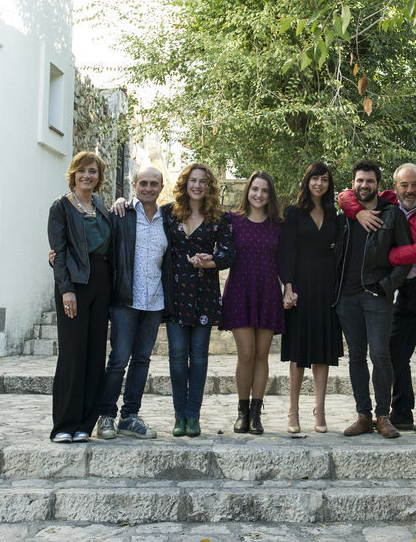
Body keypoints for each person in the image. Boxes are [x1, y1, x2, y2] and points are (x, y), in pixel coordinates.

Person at [339, 163, 416, 434]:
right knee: (395, 352)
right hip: (406, 290)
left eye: (415, 184)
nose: (409, 190)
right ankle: (402, 413)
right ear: (394, 187)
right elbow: (346, 196)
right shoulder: (389, 201)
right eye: (404, 185)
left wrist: (390, 257)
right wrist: (359, 213)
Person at [333, 159, 411, 439]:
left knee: (380, 355)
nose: (364, 185)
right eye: (359, 180)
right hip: (346, 298)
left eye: (369, 181)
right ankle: (363, 416)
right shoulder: (344, 216)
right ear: (353, 183)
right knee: (356, 356)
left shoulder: (393, 215)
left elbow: (405, 257)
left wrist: (386, 286)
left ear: (378, 184)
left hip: (376, 296)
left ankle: (383, 416)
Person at [93, 167, 171, 441]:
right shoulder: (121, 215)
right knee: (118, 359)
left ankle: (130, 416)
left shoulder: (167, 220)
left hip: (154, 302)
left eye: (154, 184)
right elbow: (101, 249)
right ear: (134, 185)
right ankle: (106, 415)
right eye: (143, 183)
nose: (148, 188)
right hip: (125, 300)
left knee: (142, 360)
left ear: (161, 187)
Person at [161, 163, 236, 437]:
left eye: (202, 181)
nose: (197, 186)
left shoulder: (219, 217)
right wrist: (122, 201)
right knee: (177, 356)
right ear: (185, 184)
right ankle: (179, 415)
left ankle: (193, 416)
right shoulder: (168, 213)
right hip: (175, 293)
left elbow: (228, 254)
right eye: (193, 180)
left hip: (204, 294)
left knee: (200, 357)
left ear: (209, 186)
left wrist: (210, 260)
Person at [47, 152, 113, 443]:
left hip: (102, 282)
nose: (87, 176)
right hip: (75, 282)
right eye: (82, 171)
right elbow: (59, 251)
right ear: (73, 174)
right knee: (73, 354)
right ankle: (64, 424)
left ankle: (86, 423)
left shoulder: (101, 206)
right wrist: (66, 289)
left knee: (95, 354)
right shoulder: (60, 207)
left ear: (99, 177)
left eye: (93, 171)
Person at [279, 162, 344, 434]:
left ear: (329, 184)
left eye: (324, 179)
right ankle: (292, 411)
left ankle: (320, 410)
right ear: (307, 181)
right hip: (300, 286)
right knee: (298, 350)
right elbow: (286, 252)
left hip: (327, 287)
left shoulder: (333, 214)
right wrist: (288, 287)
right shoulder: (293, 213)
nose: (319, 184)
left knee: (322, 351)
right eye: (315, 179)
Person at [221, 171, 284, 435]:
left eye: (264, 190)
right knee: (246, 354)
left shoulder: (278, 225)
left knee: (261, 355)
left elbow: (285, 261)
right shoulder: (231, 220)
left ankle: (257, 414)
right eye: (255, 189)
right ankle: (242, 411)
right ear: (247, 191)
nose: (259, 194)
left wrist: (289, 288)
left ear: (270, 195)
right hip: (240, 292)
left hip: (268, 292)